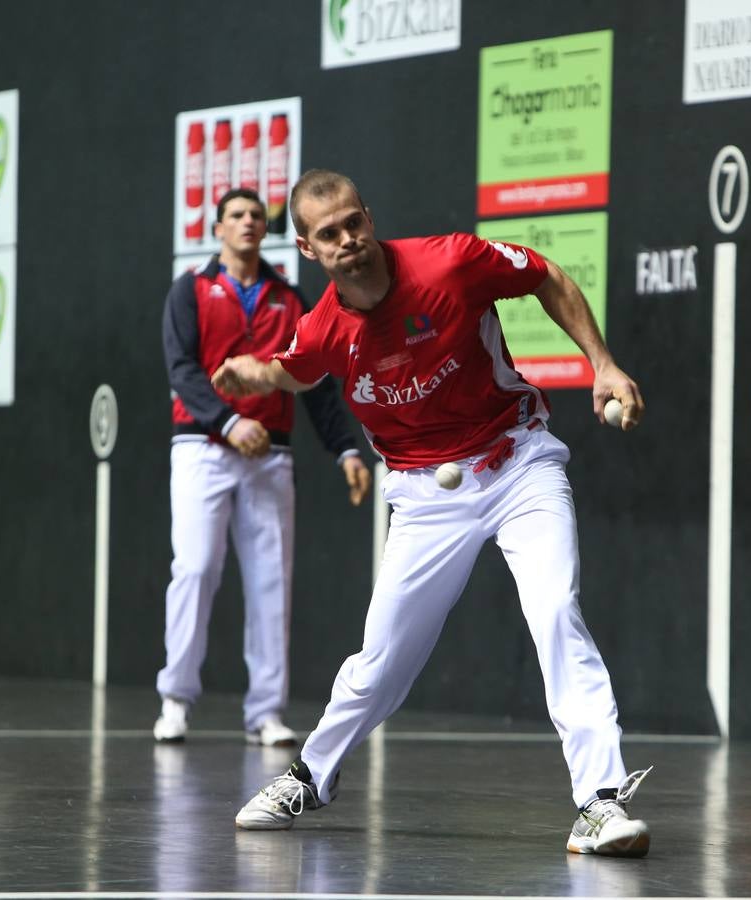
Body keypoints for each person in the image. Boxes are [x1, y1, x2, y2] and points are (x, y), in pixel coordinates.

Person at [212, 169, 653, 857]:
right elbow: (295, 368)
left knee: (556, 611)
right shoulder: (325, 326)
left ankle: (599, 801)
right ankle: (310, 775)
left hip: (518, 464)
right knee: (381, 660)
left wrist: (601, 361)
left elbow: (546, 276)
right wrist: (254, 375)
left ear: (369, 216)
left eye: (355, 221)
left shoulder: (451, 261)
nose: (349, 239)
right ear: (308, 248)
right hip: (424, 501)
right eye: (330, 234)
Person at [155, 187, 371, 747]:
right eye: (237, 215)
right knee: (196, 568)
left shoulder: (290, 298)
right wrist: (227, 422)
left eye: (256, 215)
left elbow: (315, 381)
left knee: (271, 583)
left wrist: (345, 448)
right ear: (218, 228)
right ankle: (175, 699)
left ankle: (266, 712)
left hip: (271, 457)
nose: (249, 222)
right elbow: (182, 370)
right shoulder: (191, 291)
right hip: (202, 448)